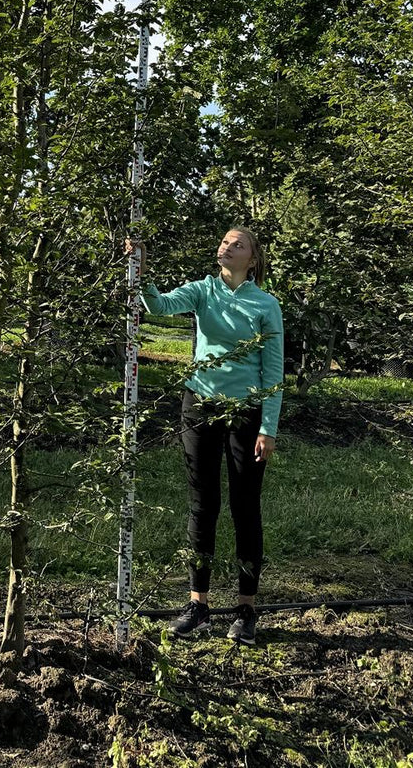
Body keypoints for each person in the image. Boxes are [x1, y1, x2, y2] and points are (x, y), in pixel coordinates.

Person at [130, 227, 283, 645]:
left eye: (238, 244)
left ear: (252, 259)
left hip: (246, 414)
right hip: (199, 406)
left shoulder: (265, 304)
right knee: (203, 504)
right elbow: (159, 305)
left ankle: (246, 609)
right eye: (224, 241)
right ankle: (198, 605)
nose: (226, 247)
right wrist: (141, 270)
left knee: (245, 507)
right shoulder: (203, 291)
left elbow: (273, 371)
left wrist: (268, 428)